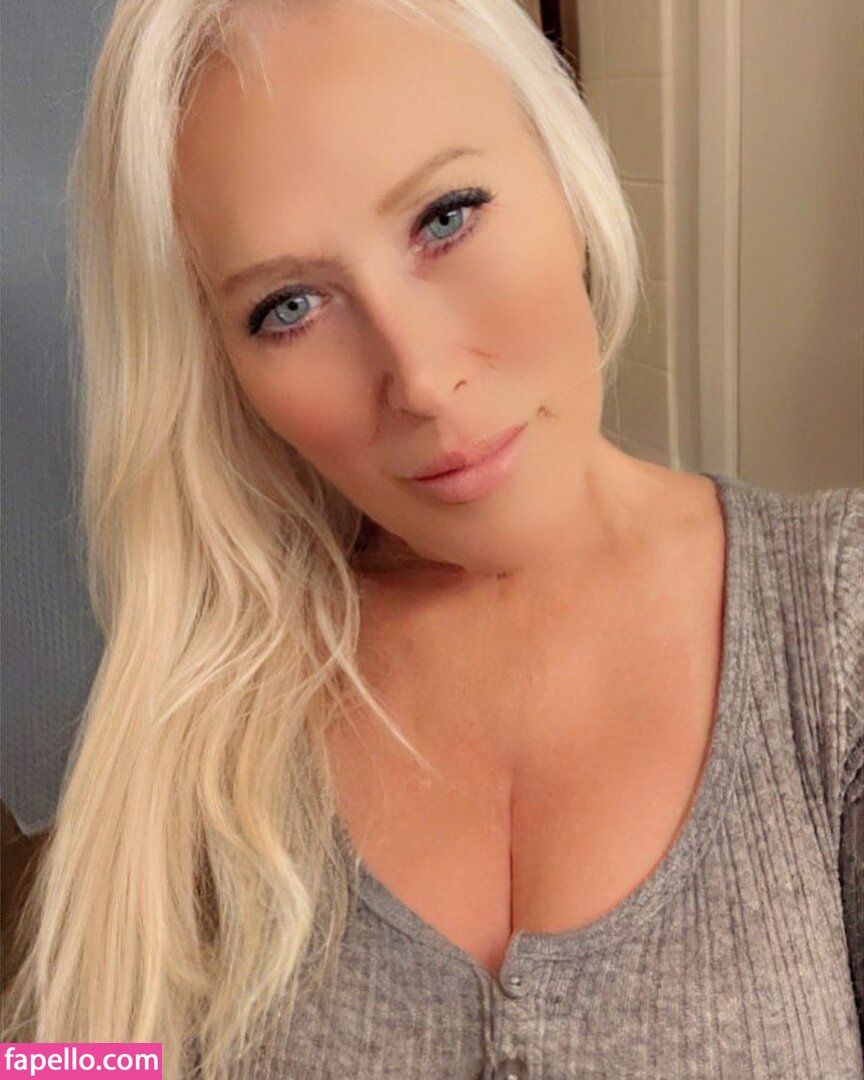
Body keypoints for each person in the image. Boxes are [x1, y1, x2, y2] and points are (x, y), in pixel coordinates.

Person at [2, 0, 862, 1077]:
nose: (417, 377)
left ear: (563, 164)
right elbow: (76, 1057)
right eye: (288, 306)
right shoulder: (198, 716)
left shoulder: (835, 621)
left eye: (447, 216)